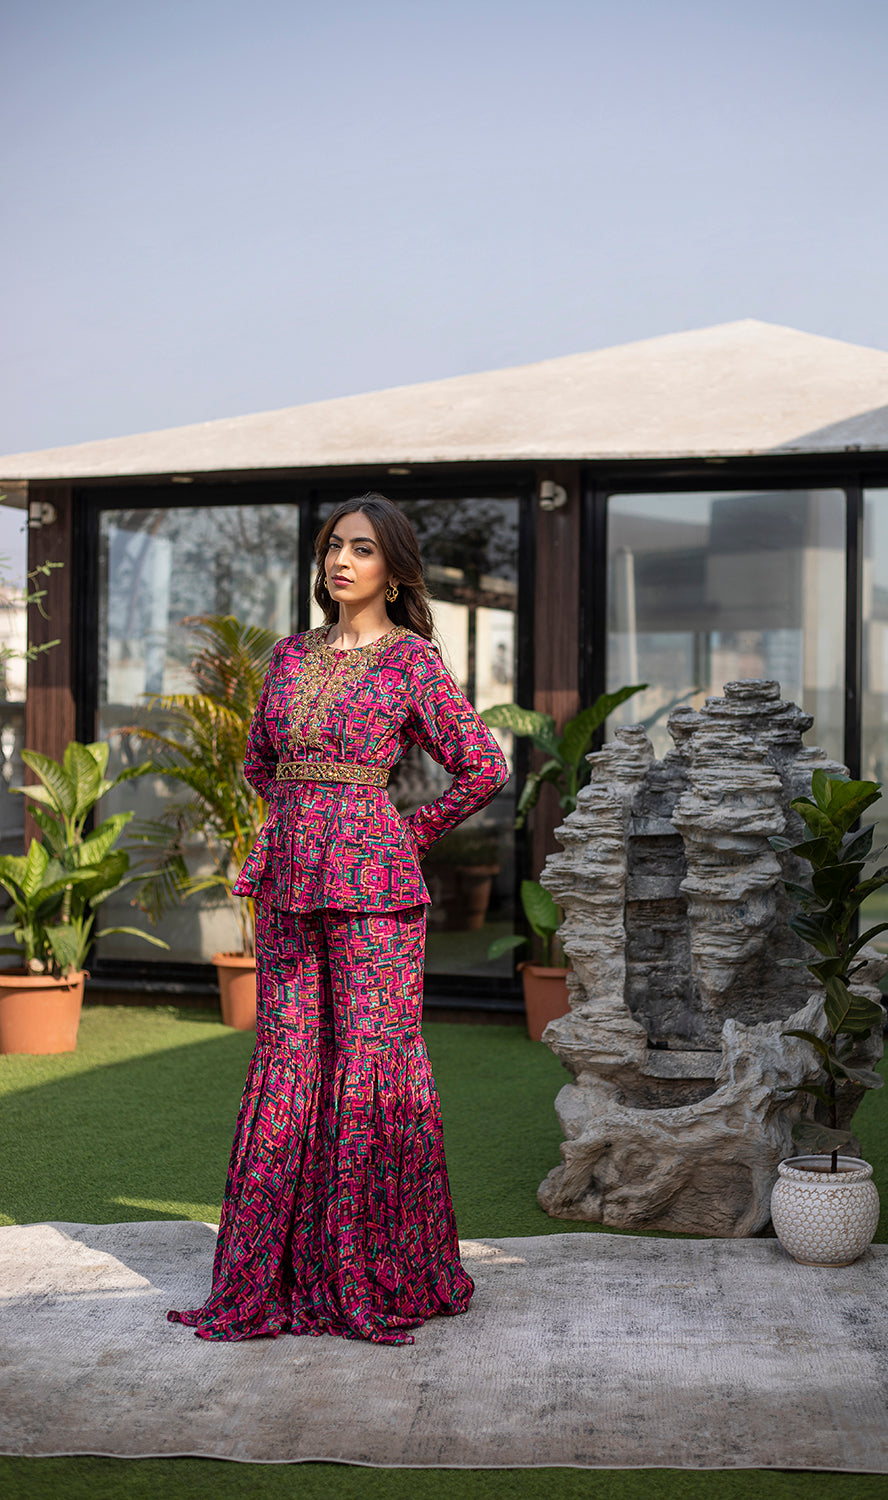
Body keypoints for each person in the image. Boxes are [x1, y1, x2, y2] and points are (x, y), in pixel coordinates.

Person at [167, 493, 509, 1345]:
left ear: (394, 569)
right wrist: (306, 822)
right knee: (286, 1063)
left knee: (369, 1066)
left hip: (376, 890)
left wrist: (398, 830)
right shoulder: (288, 657)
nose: (339, 561)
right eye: (331, 547)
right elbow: (259, 761)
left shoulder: (412, 662)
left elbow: (481, 765)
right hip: (289, 879)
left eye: (360, 548)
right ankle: (272, 1274)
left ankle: (376, 1268)